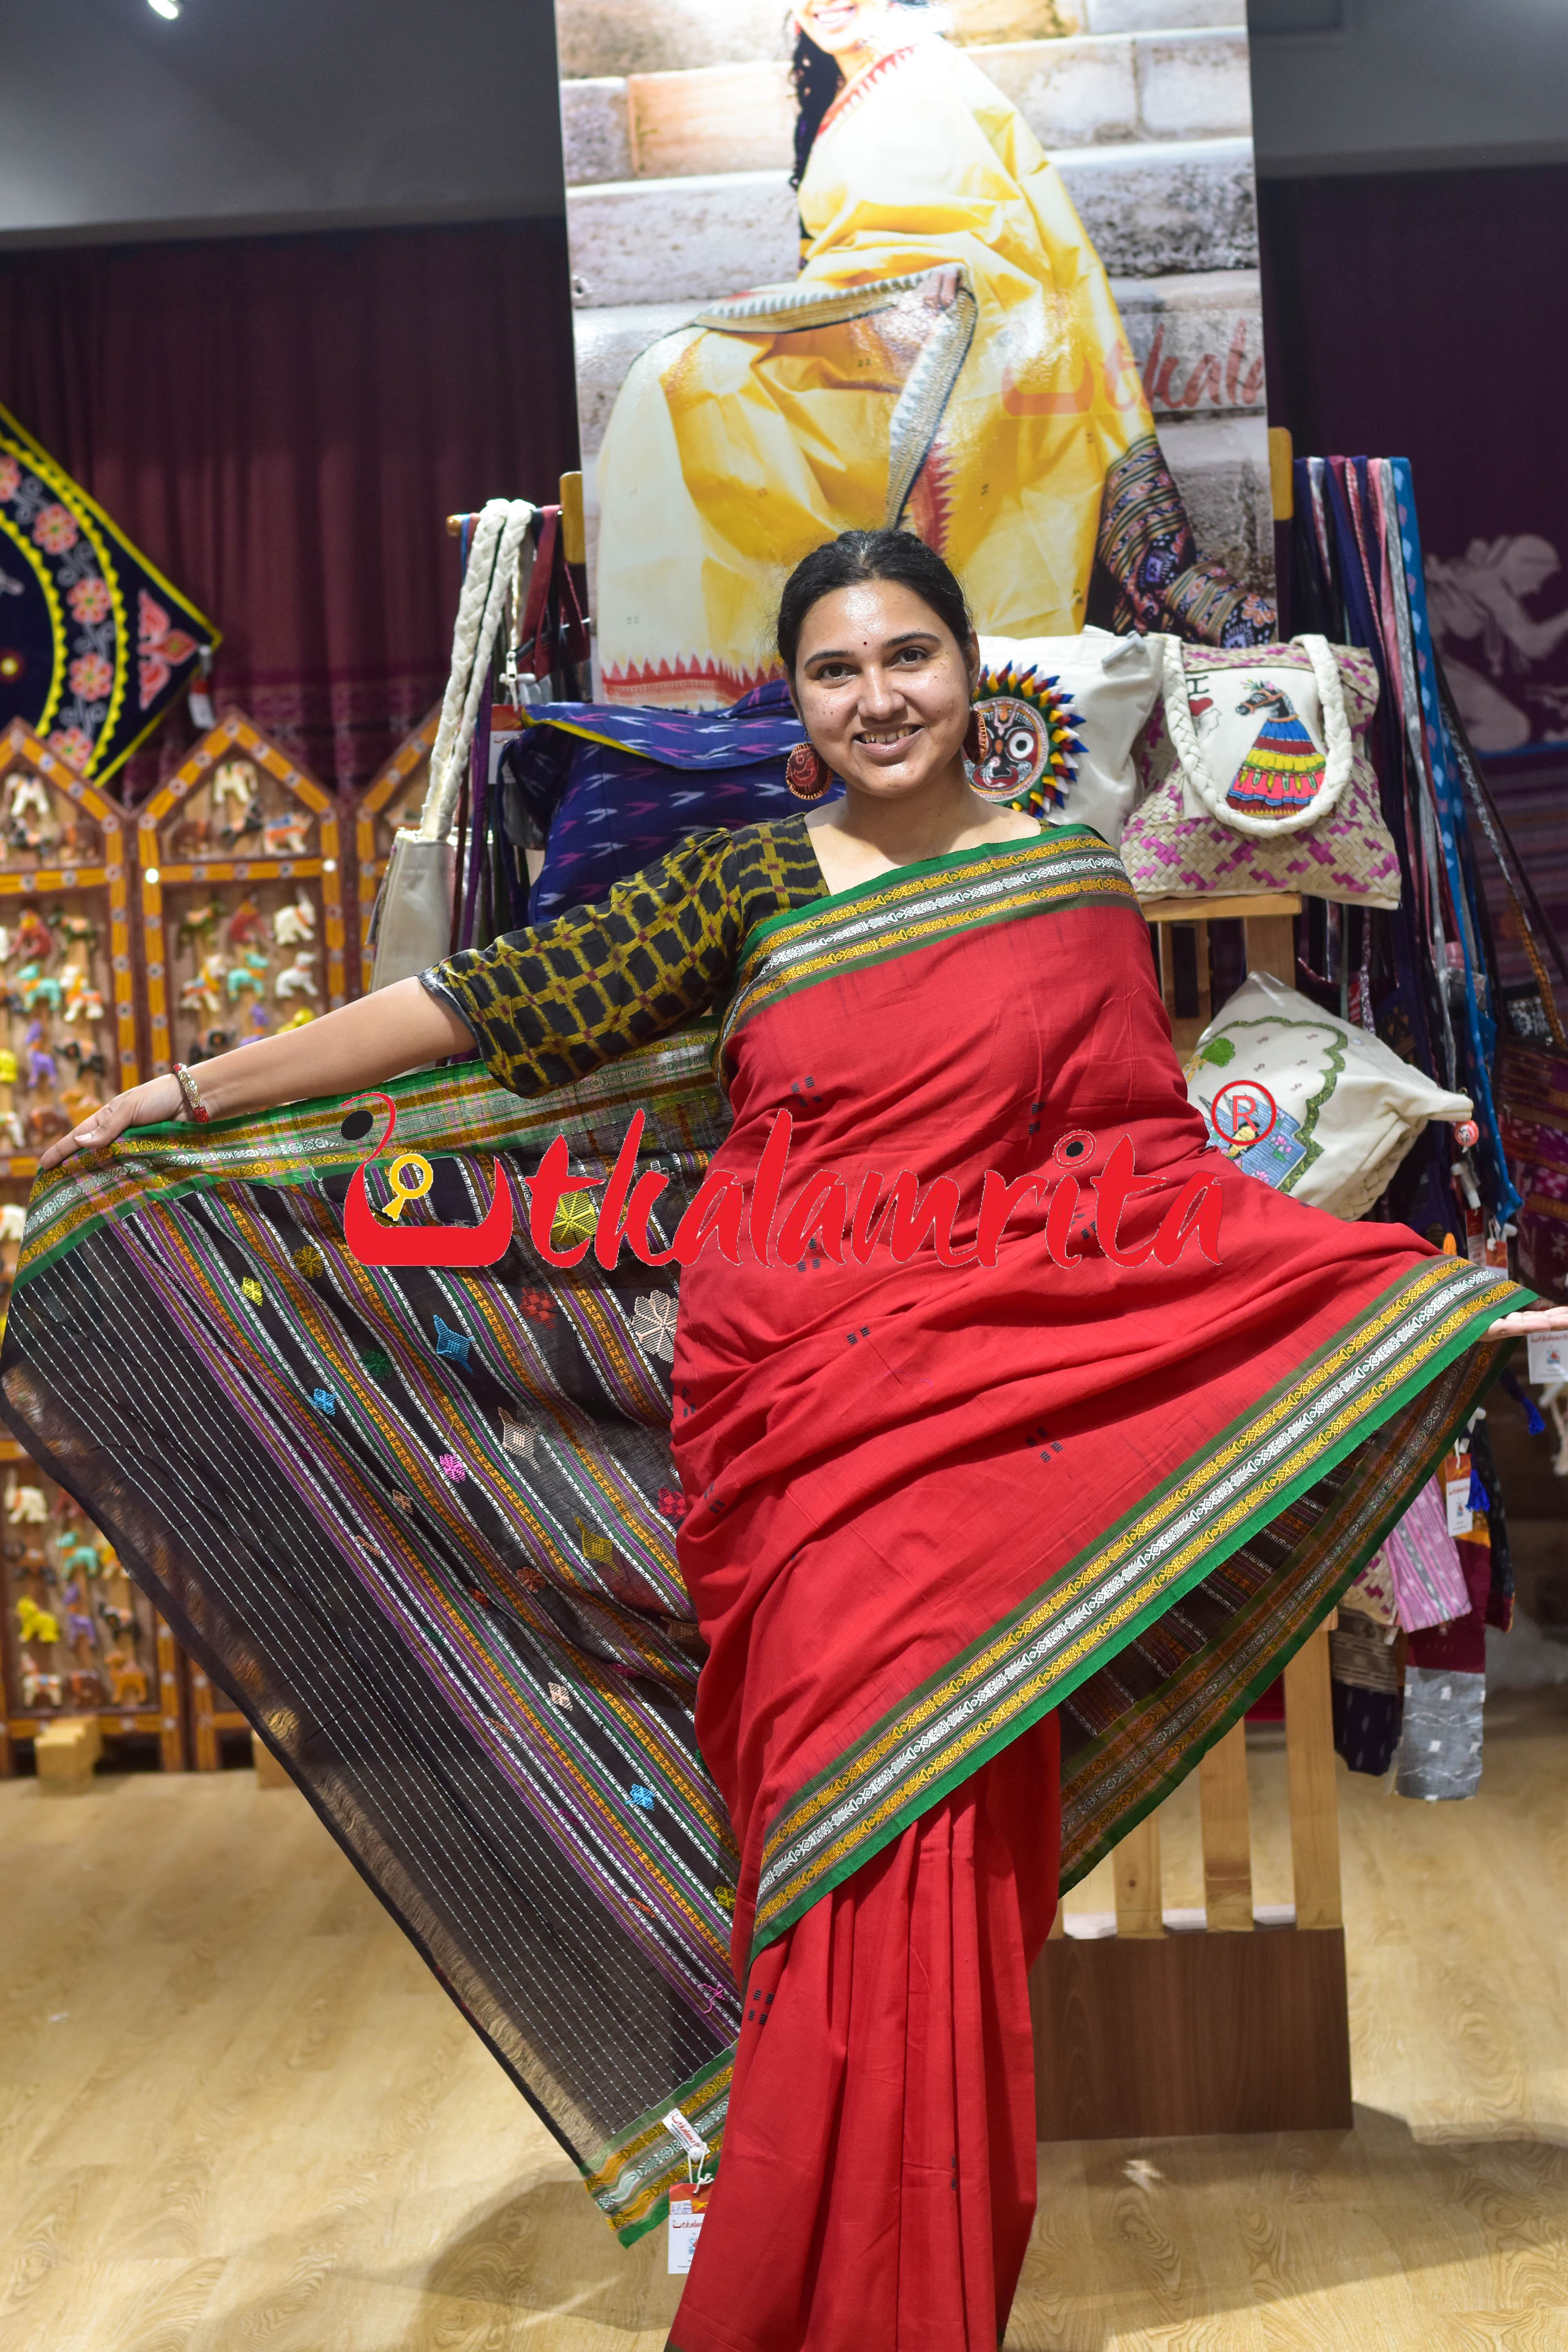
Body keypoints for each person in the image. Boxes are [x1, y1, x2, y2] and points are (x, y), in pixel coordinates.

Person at [33, 531, 1564, 2352]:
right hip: (801, 1432)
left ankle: (907, 2296)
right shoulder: (740, 883)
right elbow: (483, 1009)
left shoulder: (1064, 883)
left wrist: (1398, 1297)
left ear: (970, 673)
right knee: (833, 1852)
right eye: (835, 671)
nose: (877, 697)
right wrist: (191, 1090)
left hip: (983, 1433)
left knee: (942, 1855)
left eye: (908, 656)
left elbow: (1146, 1171)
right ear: (798, 703)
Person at [594, 0, 1274, 709]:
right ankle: (723, 681)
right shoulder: (845, 97)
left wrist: (948, 261)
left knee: (692, 377)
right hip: (861, 312)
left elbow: (989, 214)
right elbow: (854, 239)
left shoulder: (924, 68)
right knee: (683, 376)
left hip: (950, 312)